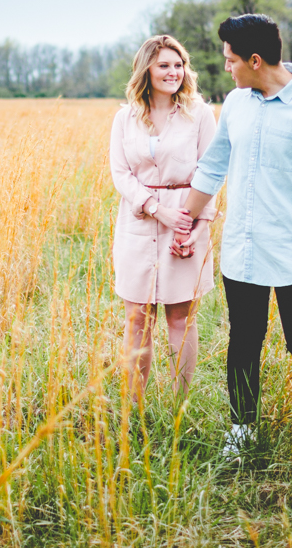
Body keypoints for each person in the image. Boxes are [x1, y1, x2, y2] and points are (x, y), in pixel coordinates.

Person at [174, 14, 292, 475]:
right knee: (244, 340)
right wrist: (185, 221)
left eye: (232, 60)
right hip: (242, 252)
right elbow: (213, 168)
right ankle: (243, 428)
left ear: (255, 60)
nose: (227, 67)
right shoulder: (237, 103)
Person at [109, 35, 218, 402]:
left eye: (178, 64)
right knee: (138, 319)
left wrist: (194, 225)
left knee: (179, 319)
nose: (174, 72)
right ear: (146, 70)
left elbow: (211, 171)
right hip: (138, 223)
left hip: (187, 222)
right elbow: (120, 173)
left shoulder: (199, 113)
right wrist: (156, 208)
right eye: (164, 65)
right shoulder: (125, 118)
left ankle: (178, 404)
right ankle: (134, 406)